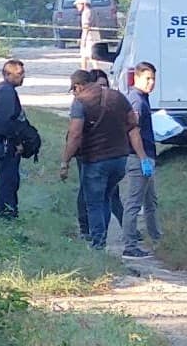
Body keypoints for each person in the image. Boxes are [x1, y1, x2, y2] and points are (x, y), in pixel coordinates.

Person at [60, 69, 151, 250]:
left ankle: (98, 243)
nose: (74, 93)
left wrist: (65, 161)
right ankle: (102, 238)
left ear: (78, 86)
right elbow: (132, 126)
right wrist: (142, 157)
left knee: (94, 203)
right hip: (119, 158)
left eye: (74, 89)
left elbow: (75, 134)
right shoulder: (117, 97)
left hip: (95, 159)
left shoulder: (80, 102)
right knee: (106, 198)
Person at [75, 69, 123, 239]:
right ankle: (88, 230)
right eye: (99, 85)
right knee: (91, 193)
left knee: (108, 195)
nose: (102, 89)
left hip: (108, 154)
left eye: (105, 85)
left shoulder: (113, 100)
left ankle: (107, 233)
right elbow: (75, 132)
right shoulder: (83, 102)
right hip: (90, 154)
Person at [121, 61, 162, 260]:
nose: (151, 83)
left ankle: (157, 238)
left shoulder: (143, 98)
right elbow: (133, 132)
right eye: (147, 78)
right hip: (139, 158)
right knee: (134, 203)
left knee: (151, 201)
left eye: (153, 79)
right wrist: (143, 158)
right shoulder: (136, 100)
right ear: (136, 78)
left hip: (146, 156)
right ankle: (129, 245)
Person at [0, 59, 27, 219]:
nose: (23, 77)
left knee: (10, 178)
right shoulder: (6, 91)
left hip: (3, 143)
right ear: (7, 74)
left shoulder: (5, 90)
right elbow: (6, 121)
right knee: (8, 180)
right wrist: (17, 143)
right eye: (19, 74)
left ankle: (8, 212)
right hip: (5, 144)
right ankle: (6, 214)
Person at [75, 0, 100, 71]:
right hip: (96, 35)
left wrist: (83, 41)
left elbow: (85, 28)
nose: (77, 6)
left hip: (89, 37)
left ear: (83, 4)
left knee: (84, 56)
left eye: (78, 4)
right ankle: (97, 72)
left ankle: (83, 72)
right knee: (94, 57)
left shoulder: (85, 13)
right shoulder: (93, 11)